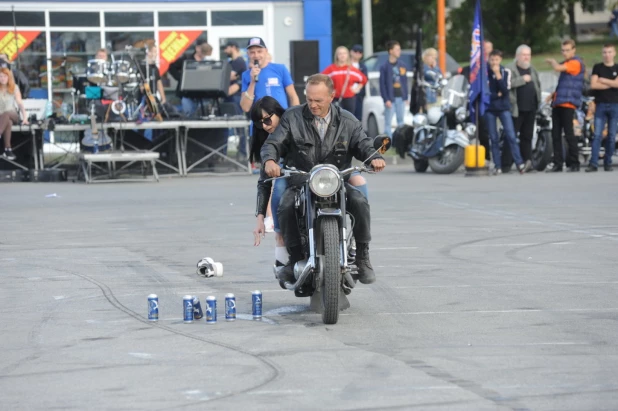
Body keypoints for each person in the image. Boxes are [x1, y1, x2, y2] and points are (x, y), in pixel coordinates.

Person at [260, 74, 386, 285]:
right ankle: (293, 259)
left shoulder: (347, 120)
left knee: (360, 202)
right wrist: (270, 160)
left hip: (336, 180)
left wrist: (376, 157)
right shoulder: (292, 117)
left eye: (318, 100)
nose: (313, 104)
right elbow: (273, 142)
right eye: (309, 99)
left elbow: (363, 143)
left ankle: (363, 256)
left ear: (332, 96)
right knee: (287, 204)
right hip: (302, 178)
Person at [252, 95, 372, 266]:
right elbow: (264, 181)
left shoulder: (295, 120)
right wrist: (261, 218)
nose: (264, 126)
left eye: (267, 120)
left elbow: (361, 142)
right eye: (259, 123)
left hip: (329, 171)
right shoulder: (271, 138)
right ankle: (282, 240)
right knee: (280, 189)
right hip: (297, 172)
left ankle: (358, 241)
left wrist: (373, 158)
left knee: (358, 180)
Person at [484, 50, 532, 175]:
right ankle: (497, 165)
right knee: (493, 138)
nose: (494, 62)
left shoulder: (506, 72)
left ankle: (519, 163)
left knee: (511, 136)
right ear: (489, 60)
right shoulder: (484, 73)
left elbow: (505, 90)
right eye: (492, 60)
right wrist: (496, 95)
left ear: (500, 60)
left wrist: (498, 74)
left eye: (496, 60)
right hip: (490, 109)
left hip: (504, 108)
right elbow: (486, 93)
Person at [546, 39, 585, 172]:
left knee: (569, 133)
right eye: (563, 50)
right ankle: (558, 163)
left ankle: (574, 162)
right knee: (555, 134)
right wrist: (553, 94)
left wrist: (552, 62)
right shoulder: (568, 63)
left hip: (568, 104)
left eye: (567, 50)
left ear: (574, 50)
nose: (565, 53)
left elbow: (558, 68)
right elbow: (565, 85)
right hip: (558, 103)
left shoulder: (575, 63)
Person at [240, 37, 299, 113]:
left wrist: (296, 117)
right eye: (252, 52)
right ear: (248, 54)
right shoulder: (246, 75)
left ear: (266, 51)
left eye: (259, 51)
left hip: (281, 120)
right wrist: (252, 82)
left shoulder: (280, 69)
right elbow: (245, 108)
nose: (256, 55)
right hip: (260, 121)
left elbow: (292, 96)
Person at [506, 44, 541, 166]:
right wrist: (522, 79)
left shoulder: (532, 69)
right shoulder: (509, 68)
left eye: (528, 55)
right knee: (510, 137)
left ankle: (527, 162)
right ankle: (506, 163)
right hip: (515, 109)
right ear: (517, 56)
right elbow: (506, 84)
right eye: (524, 55)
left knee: (527, 136)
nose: (526, 57)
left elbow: (538, 86)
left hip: (530, 109)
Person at [586, 44, 618, 172]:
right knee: (597, 135)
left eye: (609, 52)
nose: (607, 55)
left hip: (615, 105)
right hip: (600, 105)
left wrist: (603, 80)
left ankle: (608, 162)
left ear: (614, 53)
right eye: (604, 52)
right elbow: (594, 84)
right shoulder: (597, 67)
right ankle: (593, 163)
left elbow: (617, 84)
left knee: (611, 135)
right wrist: (612, 84)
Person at [168, 41, 214, 117]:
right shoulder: (186, 59)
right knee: (188, 115)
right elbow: (172, 67)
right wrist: (180, 77)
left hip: (202, 94)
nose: (203, 54)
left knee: (203, 115)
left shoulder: (206, 61)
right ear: (197, 48)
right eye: (202, 50)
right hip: (187, 94)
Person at [321, 46, 367, 115]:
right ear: (337, 56)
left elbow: (364, 79)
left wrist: (357, 89)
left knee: (349, 119)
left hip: (349, 98)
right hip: (335, 98)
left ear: (347, 55)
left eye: (344, 53)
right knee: (335, 119)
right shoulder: (331, 69)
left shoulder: (352, 69)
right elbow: (321, 79)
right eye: (340, 54)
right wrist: (329, 90)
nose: (342, 55)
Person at [223, 41, 248, 160]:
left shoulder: (239, 62)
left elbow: (229, 76)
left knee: (239, 125)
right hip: (229, 96)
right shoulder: (231, 62)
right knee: (230, 125)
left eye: (226, 48)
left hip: (236, 96)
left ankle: (243, 152)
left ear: (233, 48)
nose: (224, 51)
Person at [379, 40, 408, 137]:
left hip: (401, 97)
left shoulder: (402, 65)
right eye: (397, 50)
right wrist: (386, 99)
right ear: (390, 51)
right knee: (388, 122)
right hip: (391, 98)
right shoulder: (384, 67)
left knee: (401, 121)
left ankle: (400, 142)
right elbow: (382, 85)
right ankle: (389, 142)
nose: (399, 52)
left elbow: (404, 81)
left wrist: (406, 97)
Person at [0, 67, 29, 161]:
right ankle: (8, 149)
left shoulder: (14, 87)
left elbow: (20, 103)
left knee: (8, 114)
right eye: (0, 76)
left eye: (4, 76)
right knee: (7, 121)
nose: (2, 78)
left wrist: (25, 117)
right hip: (2, 118)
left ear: (9, 77)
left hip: (13, 115)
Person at [350, 44, 368, 121]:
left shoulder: (363, 66)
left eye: (360, 52)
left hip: (359, 95)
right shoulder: (346, 65)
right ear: (351, 52)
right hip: (347, 95)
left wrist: (357, 89)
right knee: (347, 116)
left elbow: (365, 79)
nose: (357, 54)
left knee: (358, 117)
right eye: (355, 51)